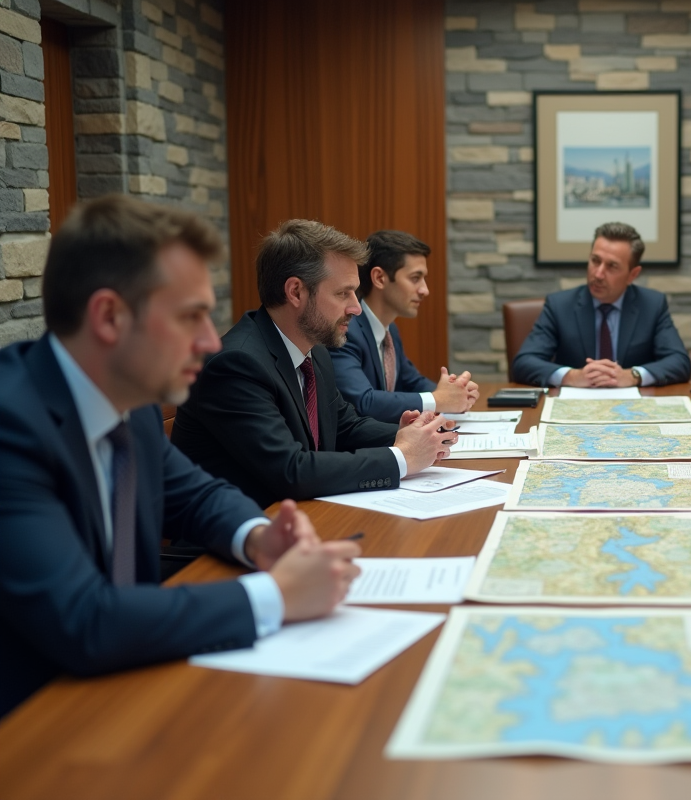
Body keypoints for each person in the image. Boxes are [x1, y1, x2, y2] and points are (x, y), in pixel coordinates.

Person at [0, 195, 361, 718]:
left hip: (131, 682)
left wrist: (259, 538)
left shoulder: (133, 402)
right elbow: (84, 620)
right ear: (109, 317)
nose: (211, 341)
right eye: (190, 317)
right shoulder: (11, 426)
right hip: (37, 720)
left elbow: (197, 495)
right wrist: (275, 596)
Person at [171, 220, 456, 508]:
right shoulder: (236, 365)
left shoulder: (315, 350)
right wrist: (402, 457)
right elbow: (292, 470)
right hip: (248, 527)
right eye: (343, 293)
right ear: (296, 292)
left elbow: (344, 427)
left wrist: (409, 435)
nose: (356, 308)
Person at [510, 222, 691, 387]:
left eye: (612, 266)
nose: (598, 274)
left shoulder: (652, 305)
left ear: (632, 275)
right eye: (595, 261)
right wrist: (572, 376)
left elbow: (679, 361)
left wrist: (633, 375)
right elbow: (523, 362)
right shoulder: (559, 305)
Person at [330, 230, 479, 422]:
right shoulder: (346, 330)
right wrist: (438, 400)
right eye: (415, 278)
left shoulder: (390, 330)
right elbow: (363, 401)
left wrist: (456, 390)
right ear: (380, 278)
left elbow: (411, 382)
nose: (425, 290)